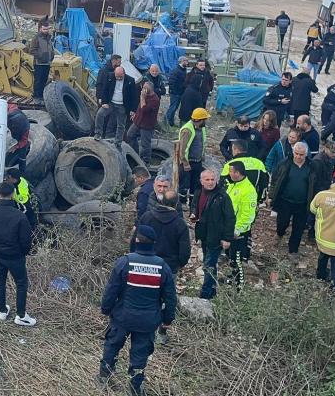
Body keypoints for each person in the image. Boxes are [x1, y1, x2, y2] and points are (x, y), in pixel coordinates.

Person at [98, 225, 176, 396]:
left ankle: (104, 376)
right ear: (153, 243)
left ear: (137, 240)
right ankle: (135, 386)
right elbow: (170, 297)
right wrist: (167, 320)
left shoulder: (125, 262)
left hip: (122, 317)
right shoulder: (162, 267)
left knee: (112, 345)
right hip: (148, 322)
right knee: (140, 355)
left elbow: (112, 290)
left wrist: (106, 309)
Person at [132, 191, 188, 344]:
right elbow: (185, 251)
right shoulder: (180, 223)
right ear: (177, 204)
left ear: (160, 201)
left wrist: (135, 257)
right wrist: (178, 264)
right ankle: (161, 332)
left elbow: (135, 238)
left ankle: (139, 325)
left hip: (145, 261)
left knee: (142, 292)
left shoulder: (147, 217)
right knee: (167, 298)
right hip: (169, 267)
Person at [0, 182, 36, 327]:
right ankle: (21, 315)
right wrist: (23, 252)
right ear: (12, 195)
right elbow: (26, 240)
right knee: (21, 283)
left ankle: (2, 311)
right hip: (16, 256)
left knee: (0, 281)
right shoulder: (19, 216)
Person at [269, 142, 327, 256]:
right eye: (296, 153)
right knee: (282, 223)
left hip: (303, 203)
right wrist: (271, 195)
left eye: (301, 154)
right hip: (285, 201)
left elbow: (316, 184)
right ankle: (280, 234)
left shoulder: (312, 166)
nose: (298, 156)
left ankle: (293, 250)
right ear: (293, 152)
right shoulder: (285, 163)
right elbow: (275, 179)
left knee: (298, 228)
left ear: (306, 154)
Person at [189, 169, 235, 300]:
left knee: (208, 265)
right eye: (207, 180)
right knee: (209, 263)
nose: (210, 182)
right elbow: (194, 207)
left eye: (212, 179)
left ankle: (205, 294)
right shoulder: (198, 192)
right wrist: (193, 214)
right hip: (204, 234)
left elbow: (230, 218)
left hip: (216, 236)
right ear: (201, 181)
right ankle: (212, 290)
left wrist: (227, 238)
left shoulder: (222, 196)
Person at [224, 161, 257, 290]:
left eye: (231, 171)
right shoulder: (234, 185)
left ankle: (239, 286)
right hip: (229, 230)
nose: (229, 173)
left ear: (237, 173)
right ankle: (231, 279)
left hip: (239, 233)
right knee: (231, 257)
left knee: (237, 260)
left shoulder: (248, 190)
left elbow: (247, 215)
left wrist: (237, 230)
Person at [95, 66, 139, 147]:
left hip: (123, 105)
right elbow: (105, 89)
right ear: (114, 74)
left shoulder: (130, 80)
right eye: (117, 76)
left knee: (121, 124)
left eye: (120, 77)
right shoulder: (109, 76)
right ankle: (98, 133)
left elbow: (134, 97)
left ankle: (118, 142)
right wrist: (104, 102)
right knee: (100, 114)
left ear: (124, 74)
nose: (118, 78)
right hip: (111, 103)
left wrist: (133, 110)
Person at [178, 108, 210, 206]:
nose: (206, 121)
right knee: (184, 184)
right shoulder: (187, 130)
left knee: (195, 184)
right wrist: (185, 162)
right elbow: (182, 148)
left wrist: (202, 155)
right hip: (188, 162)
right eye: (205, 119)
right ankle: (182, 203)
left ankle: (193, 203)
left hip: (197, 161)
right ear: (199, 120)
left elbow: (202, 143)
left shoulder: (201, 128)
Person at [127, 80, 160, 163]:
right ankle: (135, 154)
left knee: (145, 143)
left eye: (145, 88)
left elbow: (144, 109)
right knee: (130, 135)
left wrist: (142, 97)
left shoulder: (155, 100)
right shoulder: (145, 96)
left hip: (147, 125)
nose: (142, 89)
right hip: (138, 121)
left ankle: (146, 161)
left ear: (150, 89)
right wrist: (135, 114)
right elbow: (140, 108)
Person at [26, 22, 55, 100]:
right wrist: (42, 56)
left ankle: (42, 96)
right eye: (44, 29)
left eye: (47, 29)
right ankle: (37, 97)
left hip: (47, 63)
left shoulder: (49, 38)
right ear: (40, 29)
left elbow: (50, 48)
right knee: (38, 81)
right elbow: (32, 50)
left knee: (44, 80)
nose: (46, 31)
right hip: (39, 63)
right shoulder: (36, 38)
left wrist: (52, 55)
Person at [5, 104, 30, 173]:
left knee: (22, 156)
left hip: (19, 138)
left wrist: (17, 146)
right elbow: (9, 104)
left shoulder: (24, 128)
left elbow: (24, 141)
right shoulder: (12, 109)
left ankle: (22, 172)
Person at [166, 56, 189, 127]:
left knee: (175, 108)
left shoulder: (183, 70)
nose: (187, 62)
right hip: (175, 93)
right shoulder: (176, 71)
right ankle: (167, 121)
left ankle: (171, 122)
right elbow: (171, 82)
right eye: (185, 61)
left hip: (180, 92)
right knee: (173, 108)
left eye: (187, 61)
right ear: (181, 61)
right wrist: (175, 91)